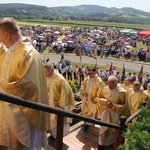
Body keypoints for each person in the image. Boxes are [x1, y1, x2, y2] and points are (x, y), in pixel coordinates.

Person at [0, 17, 50, 150]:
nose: (1, 41)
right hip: (11, 106)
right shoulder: (12, 50)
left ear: (7, 35)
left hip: (24, 113)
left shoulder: (28, 53)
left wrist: (1, 88)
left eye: (0, 37)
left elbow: (26, 86)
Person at [44, 63, 75, 140]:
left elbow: (67, 92)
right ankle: (53, 135)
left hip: (58, 106)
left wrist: (61, 104)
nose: (45, 74)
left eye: (46, 72)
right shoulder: (47, 77)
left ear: (51, 70)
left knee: (57, 122)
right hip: (49, 104)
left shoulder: (60, 79)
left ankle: (58, 137)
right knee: (50, 121)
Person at [96, 76, 128, 150]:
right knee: (103, 128)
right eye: (108, 84)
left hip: (115, 114)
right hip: (105, 112)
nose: (109, 86)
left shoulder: (122, 92)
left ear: (116, 83)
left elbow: (124, 105)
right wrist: (106, 103)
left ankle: (111, 144)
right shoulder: (105, 89)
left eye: (111, 85)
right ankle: (101, 144)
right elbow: (100, 98)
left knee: (112, 130)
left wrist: (113, 106)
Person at [80, 67, 105, 132]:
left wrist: (96, 99)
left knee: (91, 113)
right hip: (86, 99)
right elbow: (82, 86)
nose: (90, 75)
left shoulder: (99, 81)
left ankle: (89, 125)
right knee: (85, 112)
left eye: (91, 74)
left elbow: (101, 91)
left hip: (93, 100)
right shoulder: (86, 79)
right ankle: (85, 123)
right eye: (88, 73)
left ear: (95, 72)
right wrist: (83, 92)